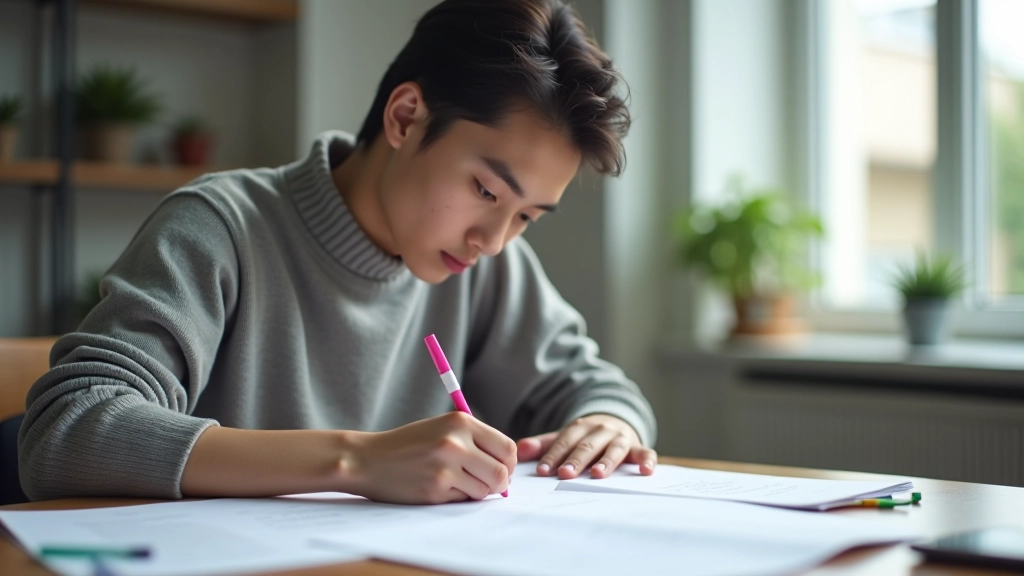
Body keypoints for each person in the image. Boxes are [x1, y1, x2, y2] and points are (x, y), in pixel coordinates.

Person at [19, 0, 657, 504]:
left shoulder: (488, 266)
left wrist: (608, 421)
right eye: (486, 190)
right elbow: (67, 429)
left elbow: (595, 386)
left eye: (527, 217)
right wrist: (357, 461)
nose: (492, 240)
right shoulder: (221, 228)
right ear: (405, 118)